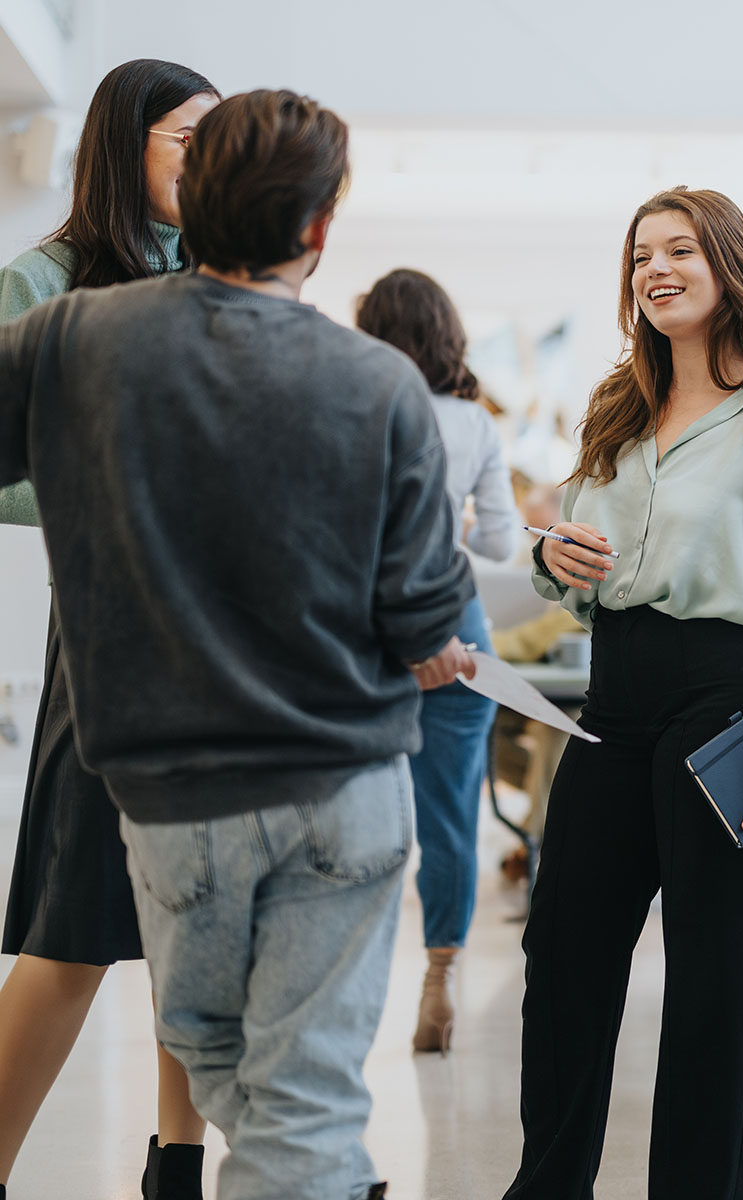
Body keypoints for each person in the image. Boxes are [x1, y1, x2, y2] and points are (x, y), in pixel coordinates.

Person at [0, 88, 476, 1200]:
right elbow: (422, 618)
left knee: (227, 1065)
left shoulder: (76, 340)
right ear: (317, 230)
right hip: (338, 790)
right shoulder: (378, 384)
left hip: (174, 802)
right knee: (287, 1101)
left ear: (192, 198)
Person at [503, 186, 743, 1200]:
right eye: (642, 255)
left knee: (712, 982)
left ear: (727, 264)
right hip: (616, 692)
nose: (656, 269)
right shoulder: (616, 413)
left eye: (681, 251)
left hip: (725, 699)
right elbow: (574, 580)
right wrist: (553, 561)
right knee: (563, 956)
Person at [0, 58, 219, 1200]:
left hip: (222, 658)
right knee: (73, 932)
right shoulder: (42, 282)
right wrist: (116, 489)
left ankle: (176, 1174)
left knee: (201, 927)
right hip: (107, 648)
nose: (214, 161)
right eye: (192, 139)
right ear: (126, 142)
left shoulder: (228, 279)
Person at [356, 268, 517, 1053]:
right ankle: (439, 979)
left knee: (360, 814)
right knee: (450, 821)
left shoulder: (351, 403)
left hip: (365, 632)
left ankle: (352, 986)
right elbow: (499, 543)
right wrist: (450, 520)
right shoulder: (474, 424)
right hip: (460, 627)